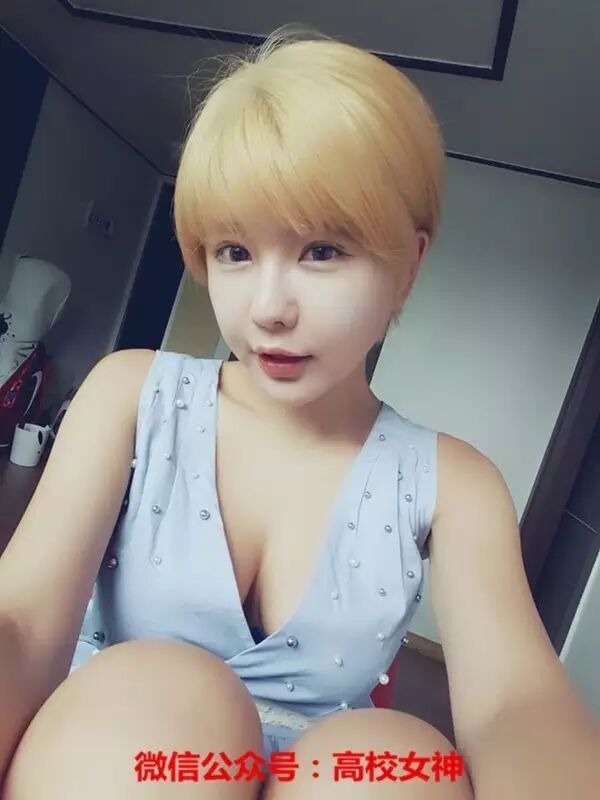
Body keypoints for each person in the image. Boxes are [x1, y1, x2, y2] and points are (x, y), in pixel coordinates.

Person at [1, 22, 599, 800]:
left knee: (396, 763)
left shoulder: (454, 483)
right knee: (159, 697)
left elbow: (518, 706)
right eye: (234, 252)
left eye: (322, 251)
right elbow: (22, 619)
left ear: (408, 265)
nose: (268, 309)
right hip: (120, 769)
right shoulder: (132, 396)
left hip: (317, 782)